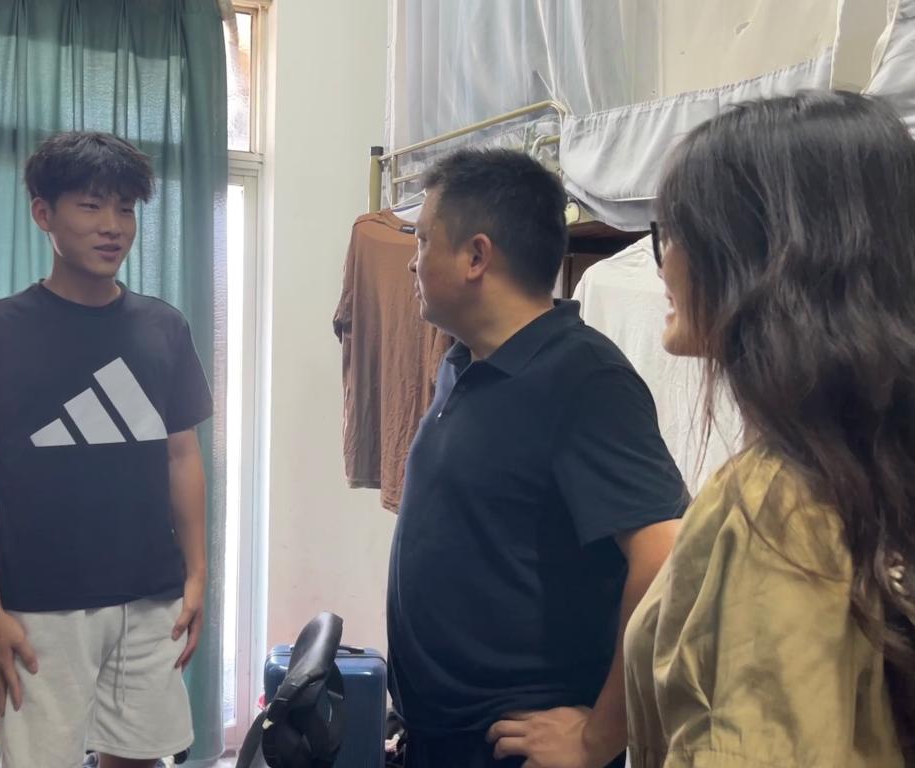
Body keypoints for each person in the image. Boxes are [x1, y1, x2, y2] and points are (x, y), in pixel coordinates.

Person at [624, 91, 915, 767]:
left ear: (761, 259)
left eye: (677, 233)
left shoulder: (775, 506)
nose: (663, 262)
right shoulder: (872, 472)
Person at [387, 148, 687, 768]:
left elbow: (666, 557)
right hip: (441, 739)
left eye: (423, 241)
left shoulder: (584, 378)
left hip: (516, 747)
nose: (413, 261)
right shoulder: (463, 360)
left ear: (476, 256)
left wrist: (601, 737)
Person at [0, 132, 213, 768]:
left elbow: (182, 457)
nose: (113, 226)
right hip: (40, 605)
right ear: (43, 214)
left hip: (152, 597)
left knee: (141, 758)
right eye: (90, 206)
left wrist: (197, 577)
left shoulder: (164, 327)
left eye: (126, 208)